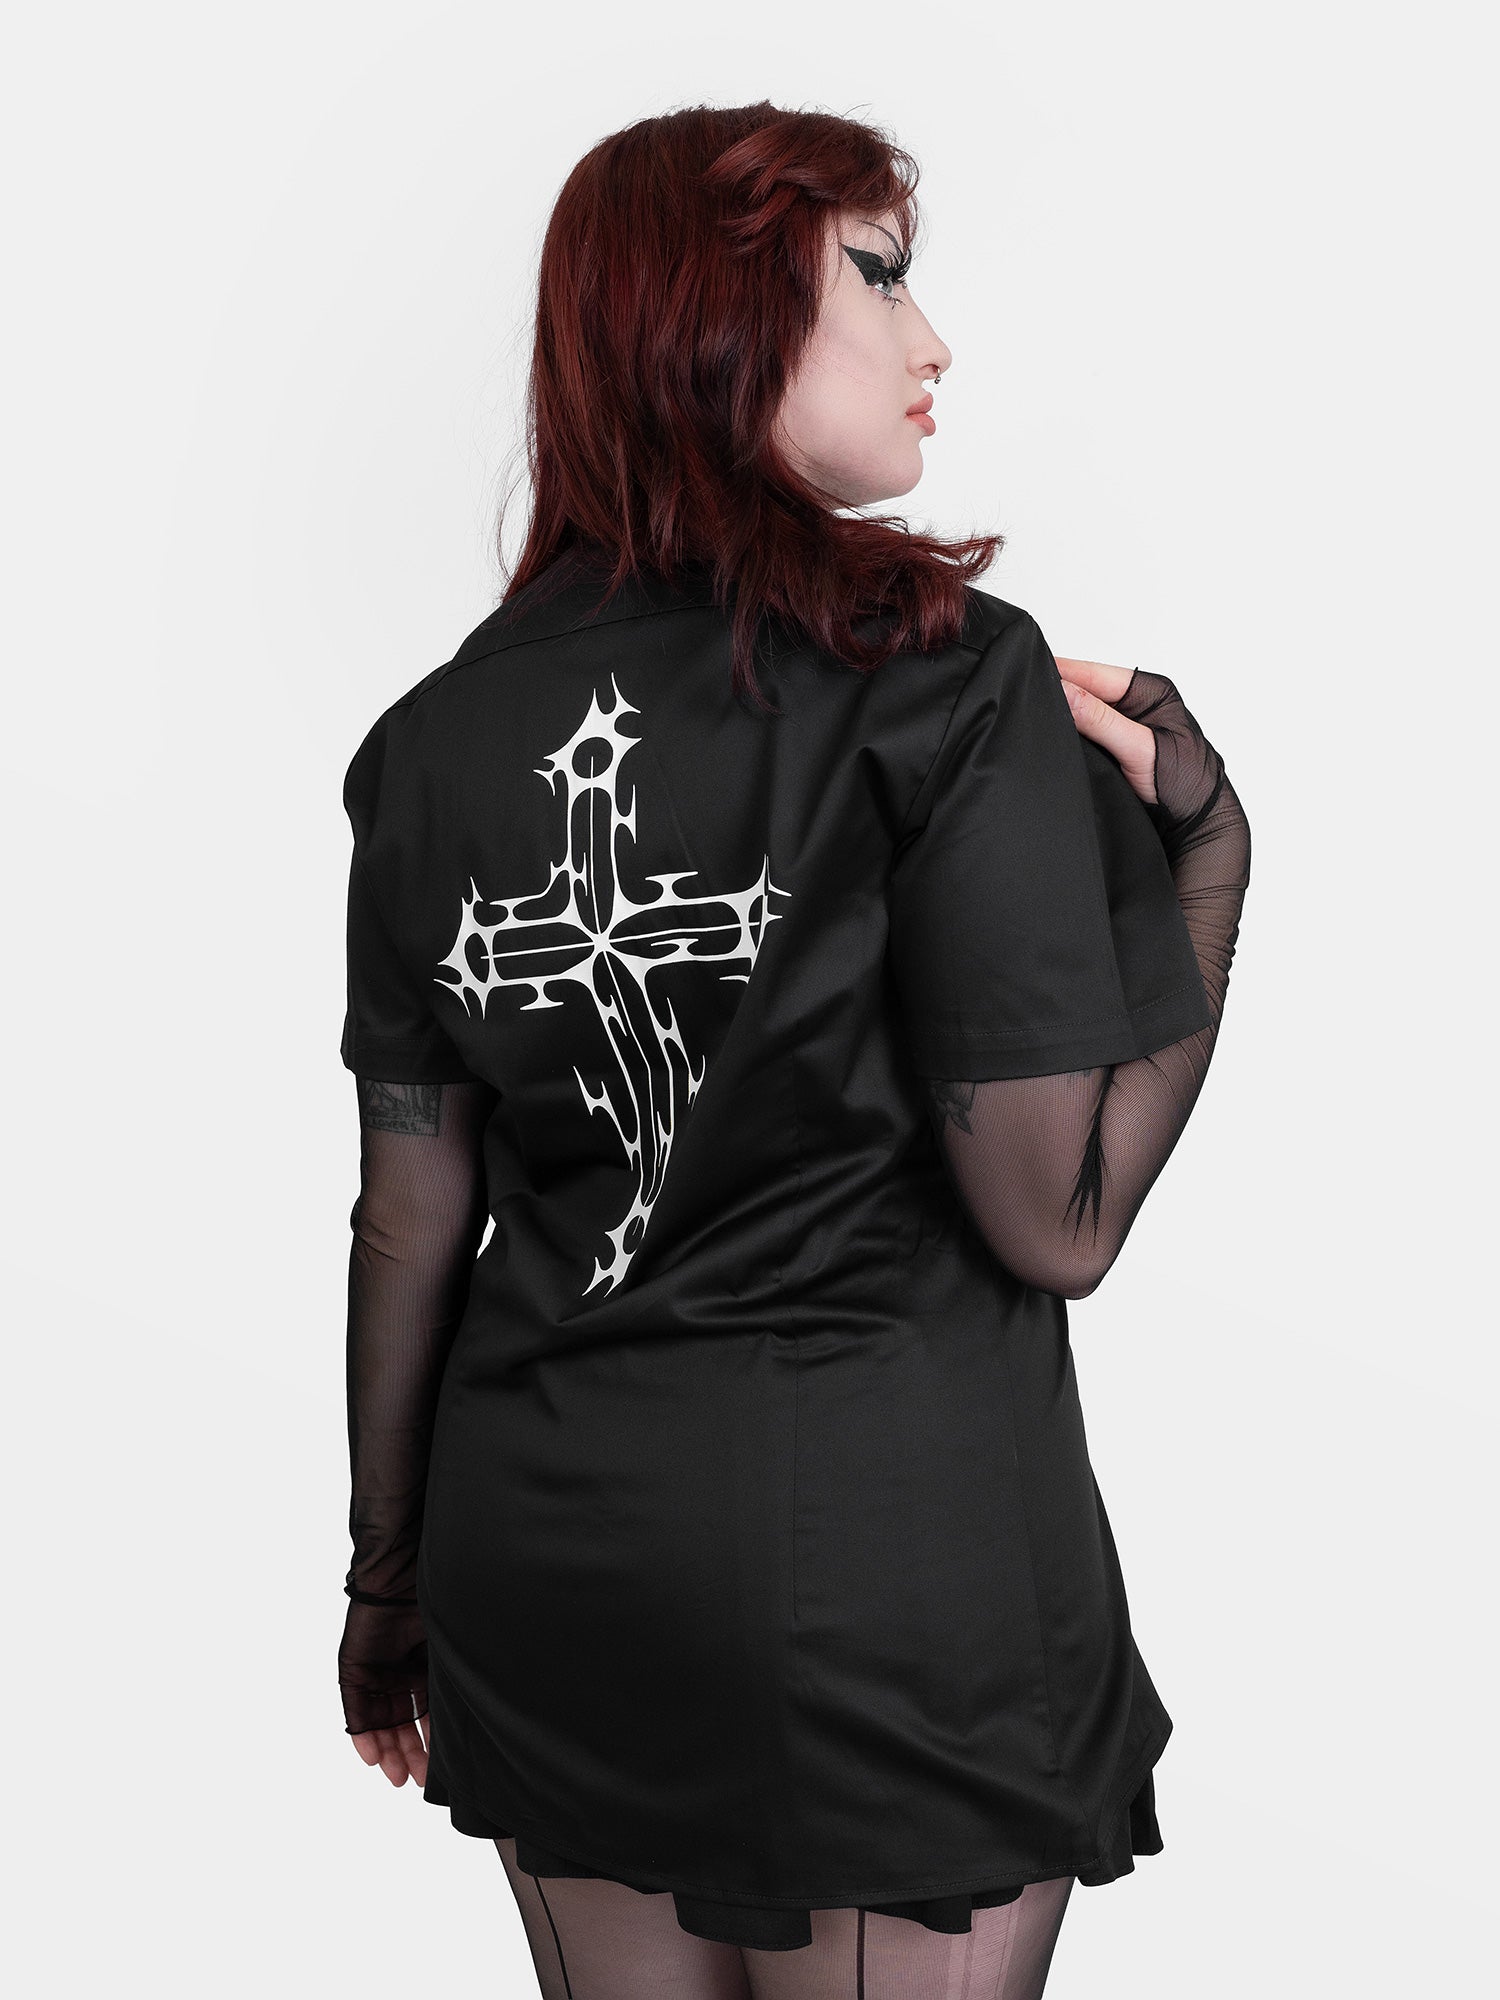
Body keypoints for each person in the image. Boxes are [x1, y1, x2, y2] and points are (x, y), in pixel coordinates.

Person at [334, 102, 1251, 2000]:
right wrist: (1209, 867)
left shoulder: (427, 748)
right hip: (892, 1589)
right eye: (883, 278)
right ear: (723, 316)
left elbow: (413, 1217)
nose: (934, 342)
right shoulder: (944, 676)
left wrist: (386, 1591)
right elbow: (1058, 1215)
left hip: (556, 1576)